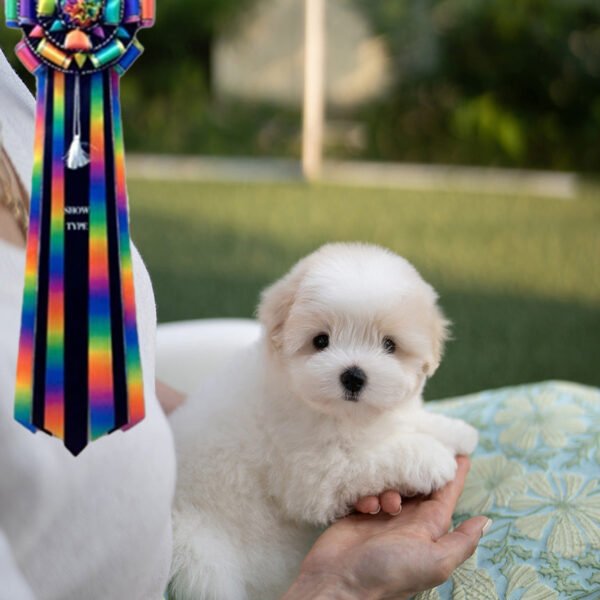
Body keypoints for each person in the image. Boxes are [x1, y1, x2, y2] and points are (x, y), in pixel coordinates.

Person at [0, 49, 489, 599]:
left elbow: (86, 362)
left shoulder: (19, 96)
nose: (353, 369)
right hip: (224, 553)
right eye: (322, 340)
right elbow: (317, 485)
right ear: (279, 335)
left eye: (389, 345)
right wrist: (341, 580)